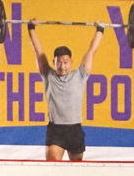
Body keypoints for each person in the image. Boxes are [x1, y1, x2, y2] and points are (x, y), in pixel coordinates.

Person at [28, 22, 103, 161]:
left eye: (66, 62)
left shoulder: (80, 74)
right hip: (56, 130)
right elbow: (38, 51)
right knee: (52, 168)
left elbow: (92, 50)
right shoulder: (48, 75)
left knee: (76, 173)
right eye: (59, 62)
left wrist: (100, 29)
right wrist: (31, 28)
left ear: (71, 62)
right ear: (54, 62)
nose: (63, 66)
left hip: (75, 130)